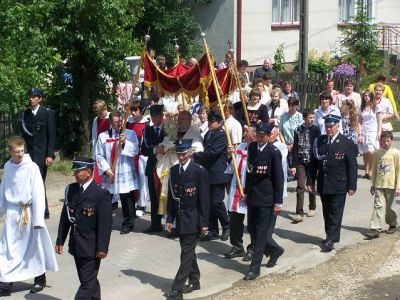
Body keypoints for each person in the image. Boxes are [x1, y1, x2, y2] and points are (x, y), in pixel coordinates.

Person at [0, 136, 58, 297]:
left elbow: (38, 192)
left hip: (28, 213)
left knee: (33, 248)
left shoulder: (31, 167)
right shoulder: (8, 167)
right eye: (16, 151)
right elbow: (3, 191)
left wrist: (38, 219)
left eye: (22, 150)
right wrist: (1, 211)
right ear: (10, 152)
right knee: (7, 249)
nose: (20, 154)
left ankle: (40, 278)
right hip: (12, 214)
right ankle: (6, 284)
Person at [55, 157, 112, 300]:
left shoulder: (100, 193)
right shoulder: (71, 190)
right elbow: (65, 218)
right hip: (76, 245)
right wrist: (60, 240)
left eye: (77, 171)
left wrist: (103, 248)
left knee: (87, 284)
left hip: (92, 248)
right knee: (88, 281)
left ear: (88, 172)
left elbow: (105, 225)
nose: (74, 174)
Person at [165, 139, 210, 300]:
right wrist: (169, 218)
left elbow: (204, 200)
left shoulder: (199, 171)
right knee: (188, 252)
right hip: (180, 218)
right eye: (179, 153)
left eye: (184, 153)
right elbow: (172, 197)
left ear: (190, 153)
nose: (181, 156)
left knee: (185, 254)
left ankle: (177, 289)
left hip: (194, 219)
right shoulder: (174, 170)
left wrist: (204, 223)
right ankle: (195, 280)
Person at [307, 114, 357, 252]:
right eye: (327, 126)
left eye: (331, 126)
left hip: (339, 184)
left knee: (335, 212)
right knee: (327, 211)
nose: (329, 129)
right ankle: (330, 234)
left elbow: (352, 166)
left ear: (338, 126)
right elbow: (313, 163)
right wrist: (310, 180)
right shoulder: (320, 141)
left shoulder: (347, 142)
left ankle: (331, 239)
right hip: (324, 183)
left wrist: (352, 185)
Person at [243, 123, 284, 281]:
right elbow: (249, 171)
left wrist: (278, 202)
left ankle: (254, 268)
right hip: (253, 196)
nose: (259, 139)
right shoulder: (252, 148)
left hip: (267, 198)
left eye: (262, 136)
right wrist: (246, 191)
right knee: (252, 230)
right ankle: (275, 250)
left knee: (260, 234)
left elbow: (278, 178)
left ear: (268, 136)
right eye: (258, 135)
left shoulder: (273, 152)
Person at [96, 111, 139, 234]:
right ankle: (105, 223)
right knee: (106, 199)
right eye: (116, 122)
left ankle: (128, 223)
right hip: (110, 170)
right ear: (110, 122)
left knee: (126, 198)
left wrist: (125, 142)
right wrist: (106, 169)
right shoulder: (103, 136)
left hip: (124, 169)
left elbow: (135, 150)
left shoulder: (130, 134)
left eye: (121, 121)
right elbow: (99, 154)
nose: (119, 124)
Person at [194, 110, 230, 241]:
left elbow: (212, 152)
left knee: (217, 202)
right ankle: (213, 229)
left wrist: (195, 156)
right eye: (209, 121)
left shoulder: (222, 135)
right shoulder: (208, 133)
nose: (210, 123)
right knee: (208, 203)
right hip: (207, 172)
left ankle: (226, 225)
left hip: (218, 172)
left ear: (220, 123)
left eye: (213, 121)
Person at [21, 87, 56, 219]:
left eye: (35, 96)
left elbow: (52, 135)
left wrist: (50, 154)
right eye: (30, 96)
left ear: (40, 98)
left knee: (39, 181)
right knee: (30, 182)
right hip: (29, 155)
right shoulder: (25, 114)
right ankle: (36, 209)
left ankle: (43, 210)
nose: (32, 98)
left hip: (42, 155)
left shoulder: (47, 113)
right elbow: (23, 135)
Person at [224, 126, 256, 260]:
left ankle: (253, 248)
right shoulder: (240, 147)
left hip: (251, 190)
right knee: (235, 220)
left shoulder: (257, 149)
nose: (244, 133)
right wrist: (230, 155)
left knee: (253, 222)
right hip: (237, 189)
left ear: (253, 135)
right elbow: (232, 169)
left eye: (246, 132)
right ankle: (237, 246)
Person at [366, 131, 400, 238]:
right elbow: (375, 169)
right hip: (379, 184)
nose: (385, 143)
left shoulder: (396, 153)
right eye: (383, 141)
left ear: (392, 141)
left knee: (390, 207)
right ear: (380, 141)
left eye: (388, 141)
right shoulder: (377, 153)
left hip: (391, 185)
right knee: (378, 206)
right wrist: (373, 184)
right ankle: (375, 228)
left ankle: (393, 224)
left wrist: (398, 186)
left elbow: (398, 170)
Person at [290, 109, 321, 223]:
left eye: (313, 117)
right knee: (300, 186)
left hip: (312, 162)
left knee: (311, 184)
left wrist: (318, 164)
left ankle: (312, 207)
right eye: (310, 117)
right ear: (304, 118)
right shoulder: (298, 129)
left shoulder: (316, 129)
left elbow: (319, 146)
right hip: (301, 161)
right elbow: (295, 148)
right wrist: (294, 165)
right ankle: (299, 212)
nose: (312, 119)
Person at [141, 104, 165, 233]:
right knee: (154, 196)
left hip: (166, 166)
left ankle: (170, 223)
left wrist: (164, 149)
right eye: (153, 116)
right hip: (152, 167)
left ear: (162, 115)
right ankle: (155, 224)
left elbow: (173, 144)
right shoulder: (147, 130)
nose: (156, 119)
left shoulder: (169, 127)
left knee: (167, 195)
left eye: (158, 116)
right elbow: (144, 149)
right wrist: (156, 150)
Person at [126, 101, 150, 216]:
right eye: (132, 110)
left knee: (142, 180)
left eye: (135, 110)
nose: (133, 113)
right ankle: (133, 202)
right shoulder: (128, 123)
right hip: (130, 156)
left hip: (141, 156)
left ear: (140, 111)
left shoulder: (146, 124)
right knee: (131, 179)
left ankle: (142, 204)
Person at [279, 97, 303, 182]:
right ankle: (287, 175)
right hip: (285, 142)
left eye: (293, 105)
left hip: (295, 142)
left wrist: (293, 144)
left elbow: (300, 132)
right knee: (286, 161)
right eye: (290, 105)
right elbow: (280, 130)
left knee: (293, 160)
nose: (291, 107)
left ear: (297, 105)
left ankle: (293, 175)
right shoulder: (283, 116)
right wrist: (284, 144)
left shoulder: (299, 116)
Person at [359, 91, 382, 179]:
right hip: (364, 132)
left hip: (373, 131)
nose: (367, 97)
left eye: (368, 95)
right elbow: (359, 122)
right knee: (365, 152)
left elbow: (379, 121)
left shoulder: (376, 107)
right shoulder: (361, 108)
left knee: (371, 151)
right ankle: (366, 171)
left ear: (371, 97)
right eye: (365, 95)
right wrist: (360, 134)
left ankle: (371, 171)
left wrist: (379, 132)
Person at [91, 100, 110, 184]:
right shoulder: (96, 120)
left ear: (104, 108)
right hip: (100, 148)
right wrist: (95, 153)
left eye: (100, 112)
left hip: (110, 147)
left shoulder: (111, 117)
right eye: (97, 113)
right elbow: (94, 136)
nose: (99, 114)